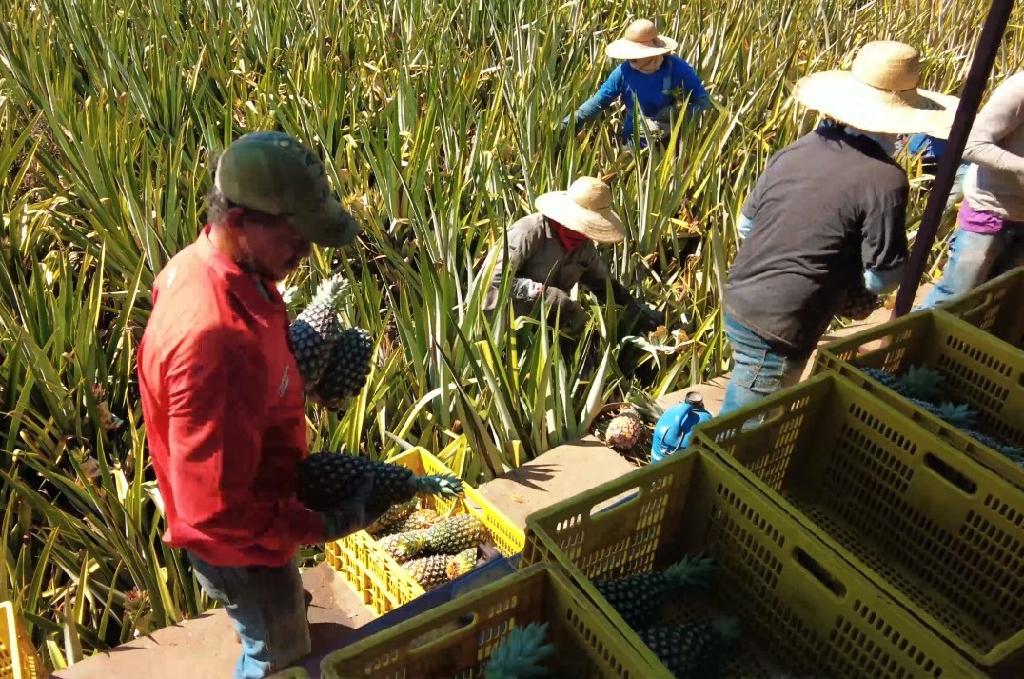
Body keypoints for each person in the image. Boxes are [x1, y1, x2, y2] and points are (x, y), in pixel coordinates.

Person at [137, 131, 377, 679]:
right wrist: (320, 524)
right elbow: (216, 514)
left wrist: (299, 379)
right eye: (295, 236)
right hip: (241, 547)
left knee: (274, 622)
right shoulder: (217, 341)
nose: (306, 252)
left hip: (257, 505)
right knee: (278, 649)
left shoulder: (208, 264)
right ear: (242, 220)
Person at [721, 41, 958, 415]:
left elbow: (747, 223)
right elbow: (881, 278)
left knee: (745, 389)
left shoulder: (803, 146)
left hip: (739, 298)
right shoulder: (885, 178)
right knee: (745, 425)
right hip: (784, 322)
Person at [483, 176, 661, 336]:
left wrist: (636, 309)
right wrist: (545, 294)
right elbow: (495, 276)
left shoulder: (583, 247)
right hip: (497, 323)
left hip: (540, 327)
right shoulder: (528, 233)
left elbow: (604, 285)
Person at [920, 70, 1024, 309]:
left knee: (998, 304)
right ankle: (902, 342)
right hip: (990, 209)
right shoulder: (1019, 89)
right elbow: (972, 145)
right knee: (955, 297)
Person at [563, 19, 710, 147]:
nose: (630, 57)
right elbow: (599, 101)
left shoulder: (677, 68)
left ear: (653, 52)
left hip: (669, 141)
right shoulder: (623, 72)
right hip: (632, 140)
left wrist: (676, 117)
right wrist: (571, 121)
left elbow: (703, 101)